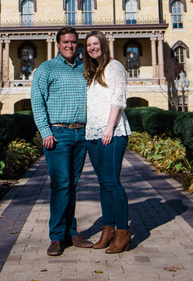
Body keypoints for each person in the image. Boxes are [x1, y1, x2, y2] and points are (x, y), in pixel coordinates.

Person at [31, 27, 94, 256]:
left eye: (74, 42)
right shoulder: (46, 69)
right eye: (66, 42)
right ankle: (57, 237)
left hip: (81, 135)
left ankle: (71, 231)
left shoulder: (84, 68)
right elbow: (37, 102)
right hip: (58, 135)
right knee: (61, 184)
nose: (70, 45)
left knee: (72, 185)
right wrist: (45, 132)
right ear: (57, 44)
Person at [83, 31, 132, 253]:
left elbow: (118, 98)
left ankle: (123, 233)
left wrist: (109, 127)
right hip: (92, 134)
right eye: (89, 45)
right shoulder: (93, 72)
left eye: (96, 43)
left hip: (112, 133)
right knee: (103, 184)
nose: (92, 47)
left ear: (103, 44)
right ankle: (107, 230)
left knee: (112, 182)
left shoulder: (114, 67)